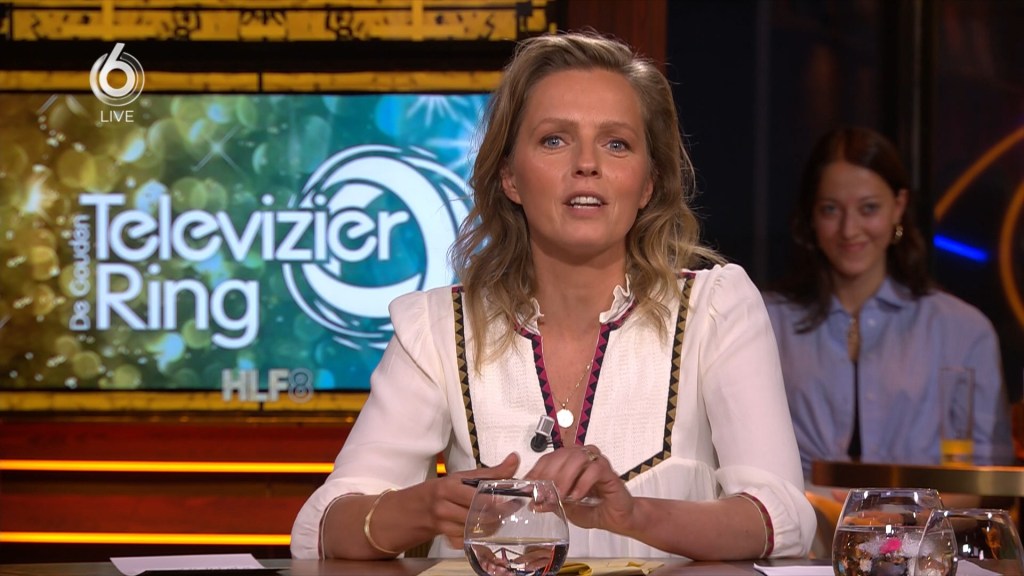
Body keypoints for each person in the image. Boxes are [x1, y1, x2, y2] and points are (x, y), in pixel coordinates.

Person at [291, 31, 815, 561]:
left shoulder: (716, 309)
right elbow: (321, 530)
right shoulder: (437, 328)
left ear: (649, 183)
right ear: (510, 178)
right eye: (554, 140)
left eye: (616, 143)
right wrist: (421, 510)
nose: (587, 164)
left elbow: (783, 518)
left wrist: (635, 516)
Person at [763, 126, 1014, 481]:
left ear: (899, 206)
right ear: (811, 216)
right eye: (831, 209)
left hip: (928, 518)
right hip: (797, 517)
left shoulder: (964, 330)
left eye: (869, 208)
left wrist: (902, 510)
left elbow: (987, 479)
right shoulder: (763, 321)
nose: (849, 230)